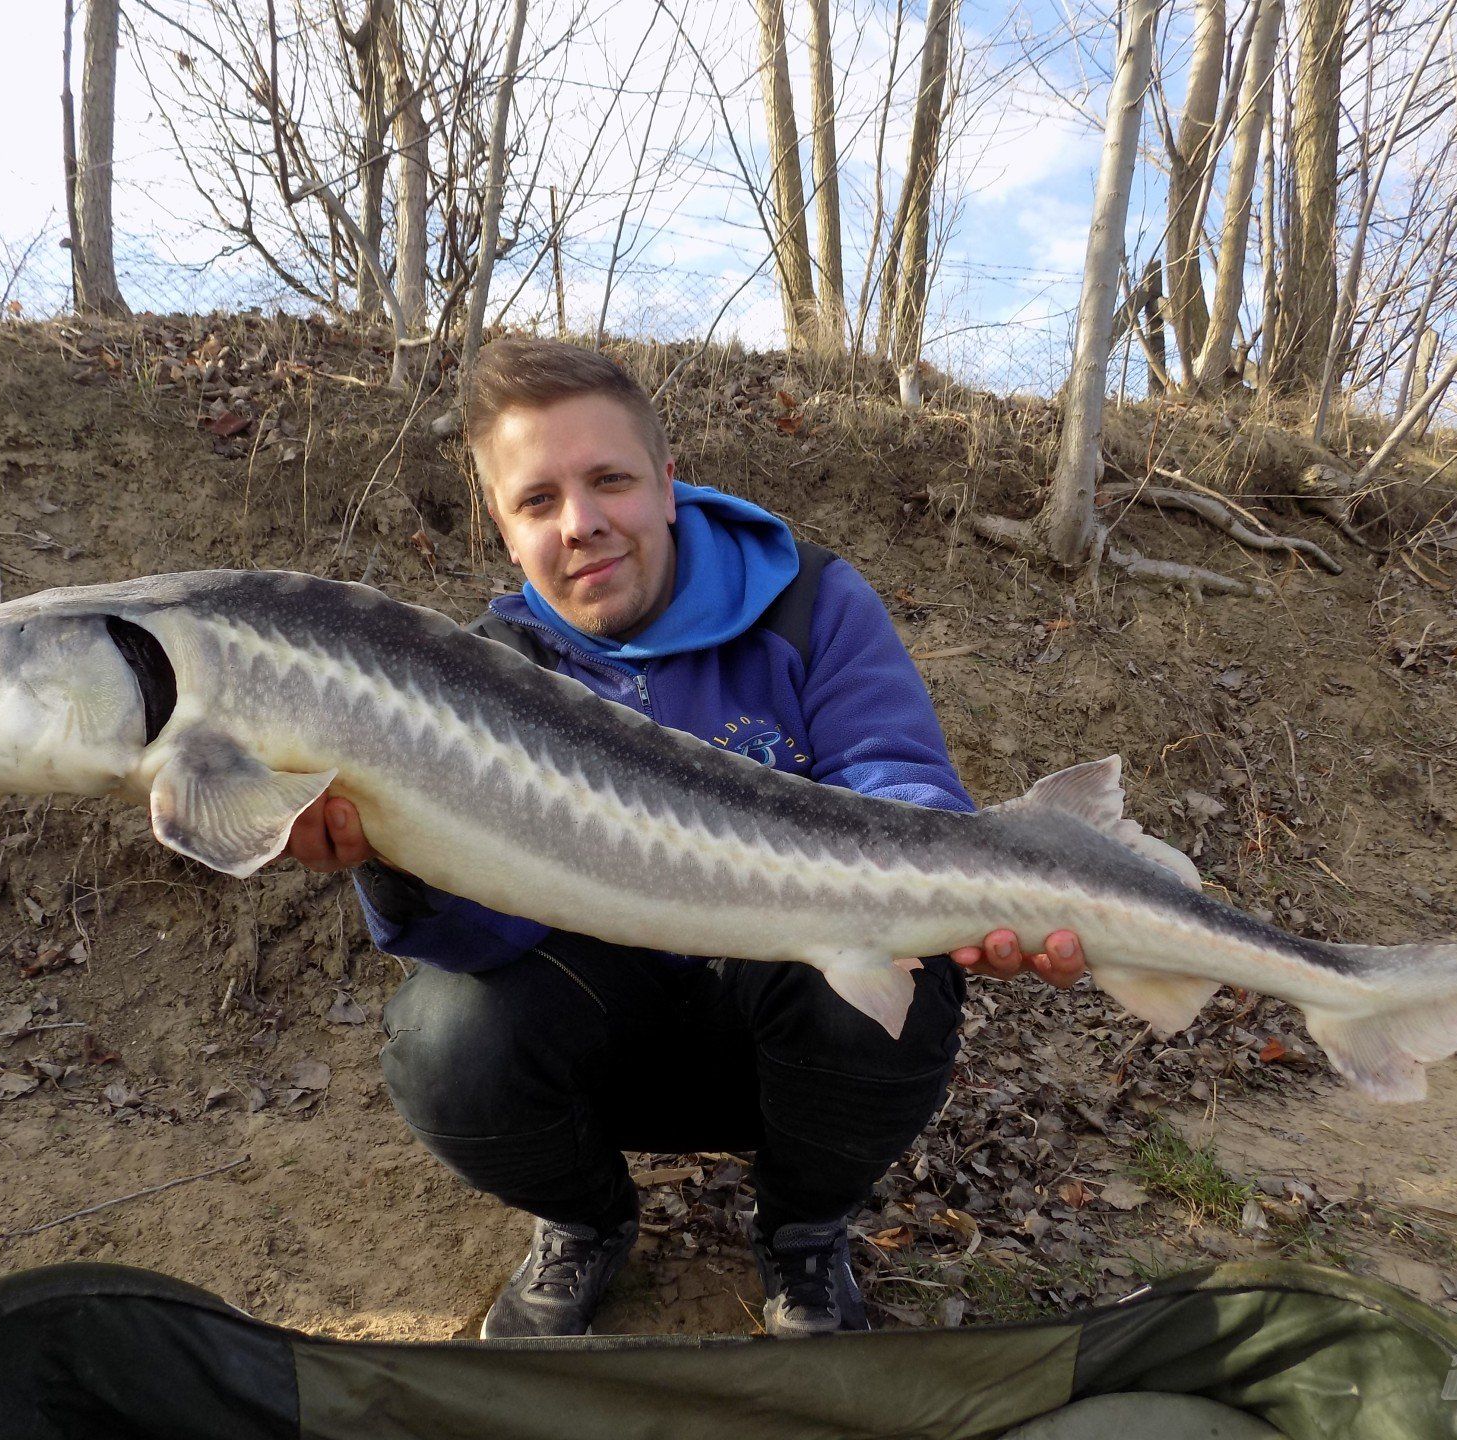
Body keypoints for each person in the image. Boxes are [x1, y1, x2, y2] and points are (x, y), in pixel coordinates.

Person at [285, 339, 1088, 1339]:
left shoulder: (809, 600)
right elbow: (481, 943)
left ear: (668, 484)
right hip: (609, 1028)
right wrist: (390, 857)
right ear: (503, 525)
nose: (580, 524)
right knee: (444, 1036)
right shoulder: (478, 677)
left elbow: (896, 773)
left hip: (789, 1026)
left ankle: (803, 1231)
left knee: (903, 979)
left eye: (609, 481)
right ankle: (585, 1220)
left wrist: (972, 893)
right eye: (537, 501)